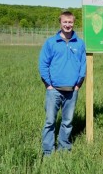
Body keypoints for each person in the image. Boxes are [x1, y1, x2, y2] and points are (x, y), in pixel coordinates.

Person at [39, 11, 86, 156]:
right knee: (50, 122)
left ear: (73, 23)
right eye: (65, 22)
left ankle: (64, 148)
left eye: (70, 22)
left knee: (67, 122)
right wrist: (49, 84)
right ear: (60, 23)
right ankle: (48, 151)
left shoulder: (80, 43)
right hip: (54, 90)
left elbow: (83, 65)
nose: (67, 25)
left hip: (72, 90)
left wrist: (78, 84)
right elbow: (43, 64)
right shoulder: (51, 42)